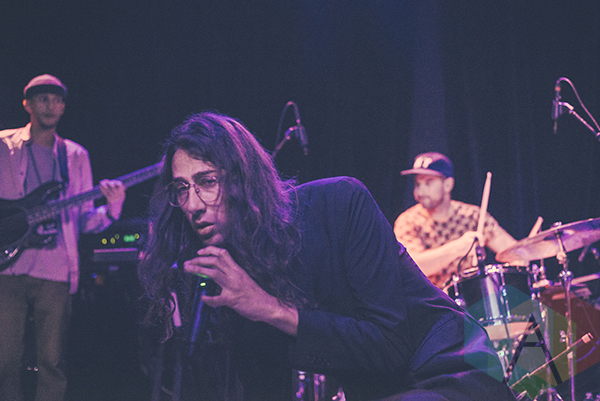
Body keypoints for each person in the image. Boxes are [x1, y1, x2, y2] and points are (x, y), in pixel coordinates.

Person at [138, 111, 517, 401]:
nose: (192, 204)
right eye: (181, 188)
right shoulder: (233, 273)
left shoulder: (339, 203)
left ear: (242, 178)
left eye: (206, 182)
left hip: (452, 372)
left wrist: (270, 308)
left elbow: (391, 346)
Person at [0, 74, 126, 401]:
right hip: (7, 270)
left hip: (55, 272)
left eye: (57, 100)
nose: (51, 105)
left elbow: (83, 221)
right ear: (27, 104)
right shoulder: (3, 145)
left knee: (53, 363)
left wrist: (112, 210)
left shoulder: (75, 155)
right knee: (4, 362)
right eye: (43, 98)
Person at [393, 152, 518, 289]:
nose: (420, 192)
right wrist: (458, 247)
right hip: (430, 299)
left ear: (448, 185)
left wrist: (523, 257)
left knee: (521, 299)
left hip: (473, 298)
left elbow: (513, 252)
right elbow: (411, 268)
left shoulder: (472, 216)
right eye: (418, 184)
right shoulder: (408, 221)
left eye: (428, 183)